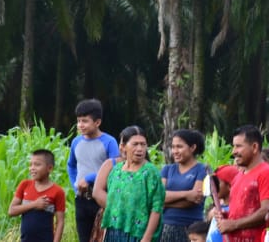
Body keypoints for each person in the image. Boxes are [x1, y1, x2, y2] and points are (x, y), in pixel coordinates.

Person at [99, 125, 164, 242]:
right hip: (114, 233)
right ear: (123, 147)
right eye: (135, 144)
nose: (140, 149)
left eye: (143, 144)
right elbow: (112, 205)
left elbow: (157, 207)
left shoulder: (150, 172)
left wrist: (147, 238)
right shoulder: (116, 171)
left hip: (138, 234)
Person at [68, 99, 120, 242]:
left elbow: (116, 169)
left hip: (102, 198)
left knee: (102, 237)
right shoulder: (76, 142)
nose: (80, 125)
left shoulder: (109, 142)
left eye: (85, 121)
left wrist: (90, 178)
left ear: (97, 122)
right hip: (81, 199)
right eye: (78, 121)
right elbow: (71, 165)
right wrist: (75, 184)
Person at [218, 125, 269, 242]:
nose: (233, 151)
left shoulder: (267, 173)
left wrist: (234, 224)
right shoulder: (238, 176)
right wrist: (225, 214)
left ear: (254, 147)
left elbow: (267, 211)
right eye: (233, 146)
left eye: (238, 146)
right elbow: (241, 211)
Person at [9, 148, 67, 242]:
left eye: (37, 164)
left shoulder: (58, 191)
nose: (32, 168)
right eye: (30, 164)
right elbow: (11, 211)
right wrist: (34, 204)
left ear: (50, 168)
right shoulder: (24, 185)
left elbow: (60, 222)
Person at [160, 129, 208, 242]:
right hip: (166, 228)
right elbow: (159, 197)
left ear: (192, 148)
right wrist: (187, 194)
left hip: (192, 230)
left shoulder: (202, 170)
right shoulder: (167, 169)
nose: (175, 151)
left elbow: (195, 198)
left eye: (179, 147)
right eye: (173, 147)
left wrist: (167, 201)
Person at [205, 165, 239, 242]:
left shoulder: (234, 209)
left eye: (218, 183)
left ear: (230, 186)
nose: (214, 187)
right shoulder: (218, 207)